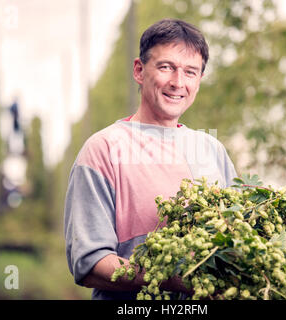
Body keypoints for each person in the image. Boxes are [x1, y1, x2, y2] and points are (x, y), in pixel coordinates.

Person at [64, 18, 237, 300]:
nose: (178, 82)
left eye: (190, 72)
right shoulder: (103, 150)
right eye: (166, 67)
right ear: (139, 70)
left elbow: (236, 238)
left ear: (199, 81)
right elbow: (89, 263)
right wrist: (176, 280)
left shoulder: (212, 149)